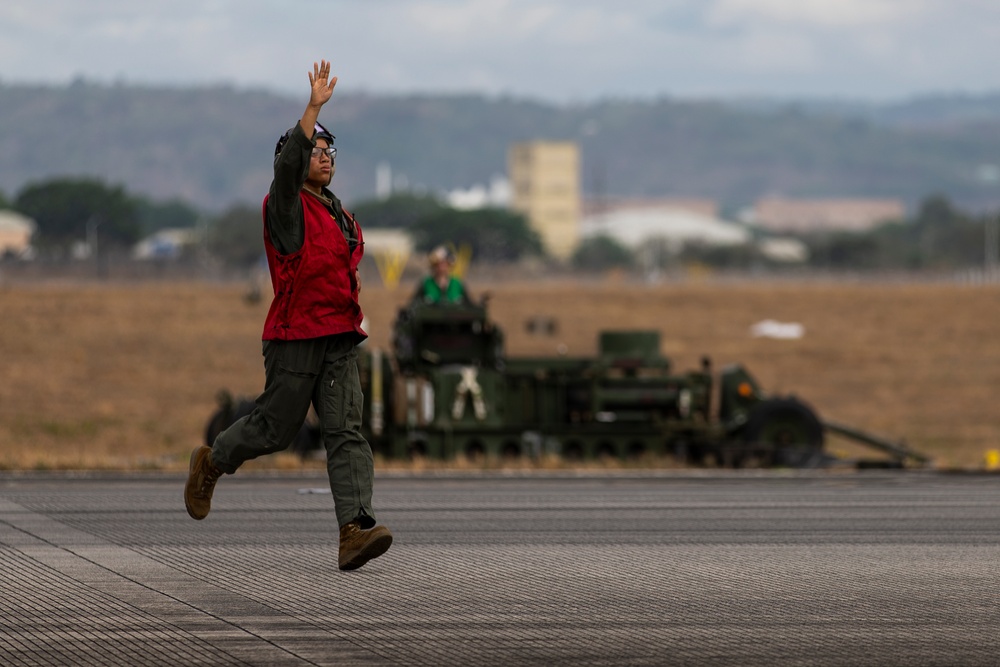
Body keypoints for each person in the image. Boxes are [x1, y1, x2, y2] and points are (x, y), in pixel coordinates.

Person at [184, 60, 392, 572]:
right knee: (274, 430)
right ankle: (213, 460)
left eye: (330, 151)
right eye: (315, 151)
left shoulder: (339, 214)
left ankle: (354, 530)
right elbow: (284, 170)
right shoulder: (285, 207)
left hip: (339, 336)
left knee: (346, 431)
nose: (325, 158)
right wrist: (313, 109)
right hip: (296, 335)